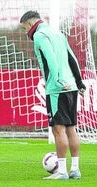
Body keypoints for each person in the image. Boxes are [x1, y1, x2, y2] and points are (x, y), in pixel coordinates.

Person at [19, 10, 86, 180]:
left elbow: (51, 59)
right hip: (71, 86)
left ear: (29, 24)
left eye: (24, 28)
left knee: (58, 129)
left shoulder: (40, 36)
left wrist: (56, 81)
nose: (25, 32)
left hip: (57, 89)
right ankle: (75, 170)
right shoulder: (58, 33)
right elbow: (72, 58)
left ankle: (62, 172)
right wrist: (79, 82)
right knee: (71, 128)